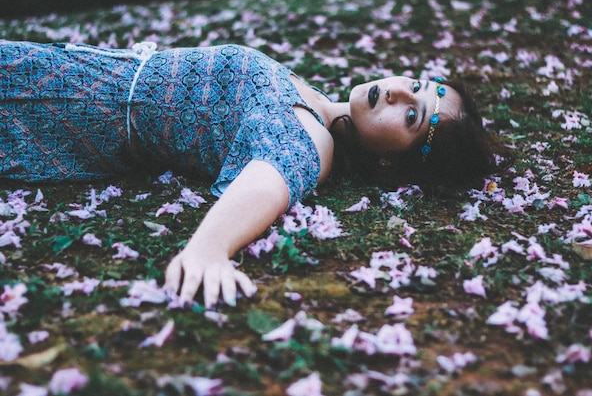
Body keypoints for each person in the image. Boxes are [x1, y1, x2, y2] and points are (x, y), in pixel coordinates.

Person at [0, 40, 501, 308]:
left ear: (393, 161)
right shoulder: (315, 100)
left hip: (57, 109)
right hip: (66, 69)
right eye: (415, 83)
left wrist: (208, 249)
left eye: (413, 116)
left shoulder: (311, 141)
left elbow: (267, 180)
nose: (398, 92)